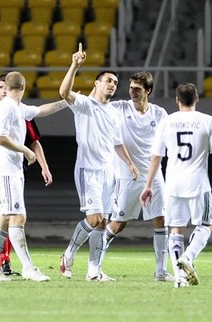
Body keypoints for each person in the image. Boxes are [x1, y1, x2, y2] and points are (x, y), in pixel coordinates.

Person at [59, 43, 140, 281]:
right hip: (88, 170)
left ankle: (94, 271)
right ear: (97, 83)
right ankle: (69, 253)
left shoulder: (114, 111)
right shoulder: (85, 104)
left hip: (109, 171)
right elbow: (64, 92)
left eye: (115, 82)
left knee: (103, 223)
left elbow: (116, 142)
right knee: (94, 219)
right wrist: (74, 65)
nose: (112, 85)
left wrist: (130, 163)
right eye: (108, 81)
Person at [0, 71, 67, 282]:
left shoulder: (17, 106)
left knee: (3, 218)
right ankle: (28, 267)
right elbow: (0, 138)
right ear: (24, 86)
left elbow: (41, 110)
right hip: (7, 171)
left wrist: (67, 102)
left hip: (10, 171)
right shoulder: (7, 108)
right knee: (18, 217)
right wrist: (25, 151)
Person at [140, 83, 212, 288]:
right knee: (206, 224)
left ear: (177, 100)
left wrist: (148, 185)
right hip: (198, 183)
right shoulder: (207, 120)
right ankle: (189, 256)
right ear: (197, 99)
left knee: (176, 230)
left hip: (172, 183)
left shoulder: (167, 121)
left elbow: (155, 157)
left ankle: (180, 278)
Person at [96, 71, 174, 282]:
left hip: (154, 176)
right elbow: (97, 104)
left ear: (148, 90)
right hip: (127, 176)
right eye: (131, 88)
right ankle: (95, 265)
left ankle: (160, 272)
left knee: (160, 220)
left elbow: (168, 141)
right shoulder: (119, 108)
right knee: (118, 223)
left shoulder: (159, 114)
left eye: (137, 89)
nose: (132, 92)